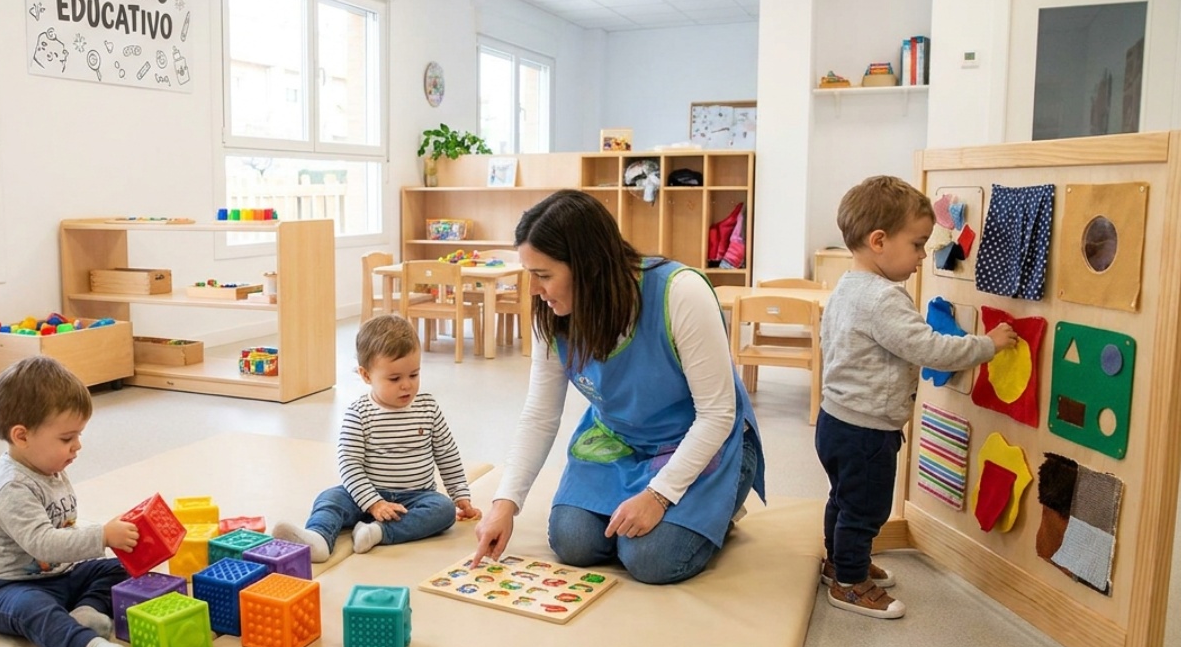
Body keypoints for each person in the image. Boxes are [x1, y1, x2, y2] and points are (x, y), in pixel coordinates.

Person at [470, 190, 764, 585]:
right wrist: (504, 503)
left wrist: (659, 496)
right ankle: (667, 513)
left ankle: (720, 507)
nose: (534, 290)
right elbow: (540, 415)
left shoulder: (681, 293)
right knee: (573, 543)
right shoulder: (554, 310)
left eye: (543, 275)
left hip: (701, 439)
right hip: (620, 438)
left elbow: (717, 415)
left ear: (588, 268)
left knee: (650, 559)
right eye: (530, 274)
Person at [818, 175, 1016, 618]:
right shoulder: (883, 299)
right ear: (879, 241)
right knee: (865, 509)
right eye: (917, 244)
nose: (923, 257)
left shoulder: (846, 287)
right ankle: (849, 582)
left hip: (836, 420)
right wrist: (989, 344)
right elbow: (930, 349)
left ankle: (839, 563)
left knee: (844, 499)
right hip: (865, 429)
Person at [0, 356, 139, 647]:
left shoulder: (49, 467)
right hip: (6, 588)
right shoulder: (12, 486)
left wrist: (107, 537)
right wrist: (101, 536)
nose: (77, 446)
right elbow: (44, 544)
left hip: (57, 576)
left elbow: (61, 527)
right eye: (66, 438)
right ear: (22, 436)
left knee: (118, 567)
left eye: (78, 435)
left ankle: (86, 612)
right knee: (34, 610)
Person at [274, 315, 480, 562]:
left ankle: (377, 532)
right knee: (330, 498)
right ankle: (318, 539)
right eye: (394, 379)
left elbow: (447, 454)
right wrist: (373, 503)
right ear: (366, 375)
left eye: (413, 375)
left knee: (443, 511)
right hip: (364, 496)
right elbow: (349, 465)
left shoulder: (428, 407)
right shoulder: (359, 413)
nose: (406, 385)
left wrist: (461, 496)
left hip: (415, 497)